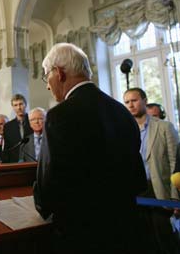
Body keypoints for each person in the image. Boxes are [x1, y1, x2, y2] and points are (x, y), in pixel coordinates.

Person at [34, 43, 147, 254]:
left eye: (46, 77)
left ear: (59, 73)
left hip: (83, 237)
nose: (48, 86)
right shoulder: (122, 112)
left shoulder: (59, 116)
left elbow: (47, 192)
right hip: (126, 230)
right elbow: (138, 178)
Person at [124, 88, 180, 253]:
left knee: (166, 242)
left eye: (134, 100)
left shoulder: (164, 127)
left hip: (160, 193)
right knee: (145, 242)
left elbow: (175, 163)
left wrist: (176, 197)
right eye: (127, 102)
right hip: (137, 193)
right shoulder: (125, 129)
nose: (130, 105)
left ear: (144, 100)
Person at [3, 94, 32, 163]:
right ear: (12, 107)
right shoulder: (8, 126)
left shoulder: (33, 121)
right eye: (15, 105)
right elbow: (7, 148)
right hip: (15, 162)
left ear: (25, 105)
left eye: (21, 104)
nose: (19, 107)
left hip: (32, 160)